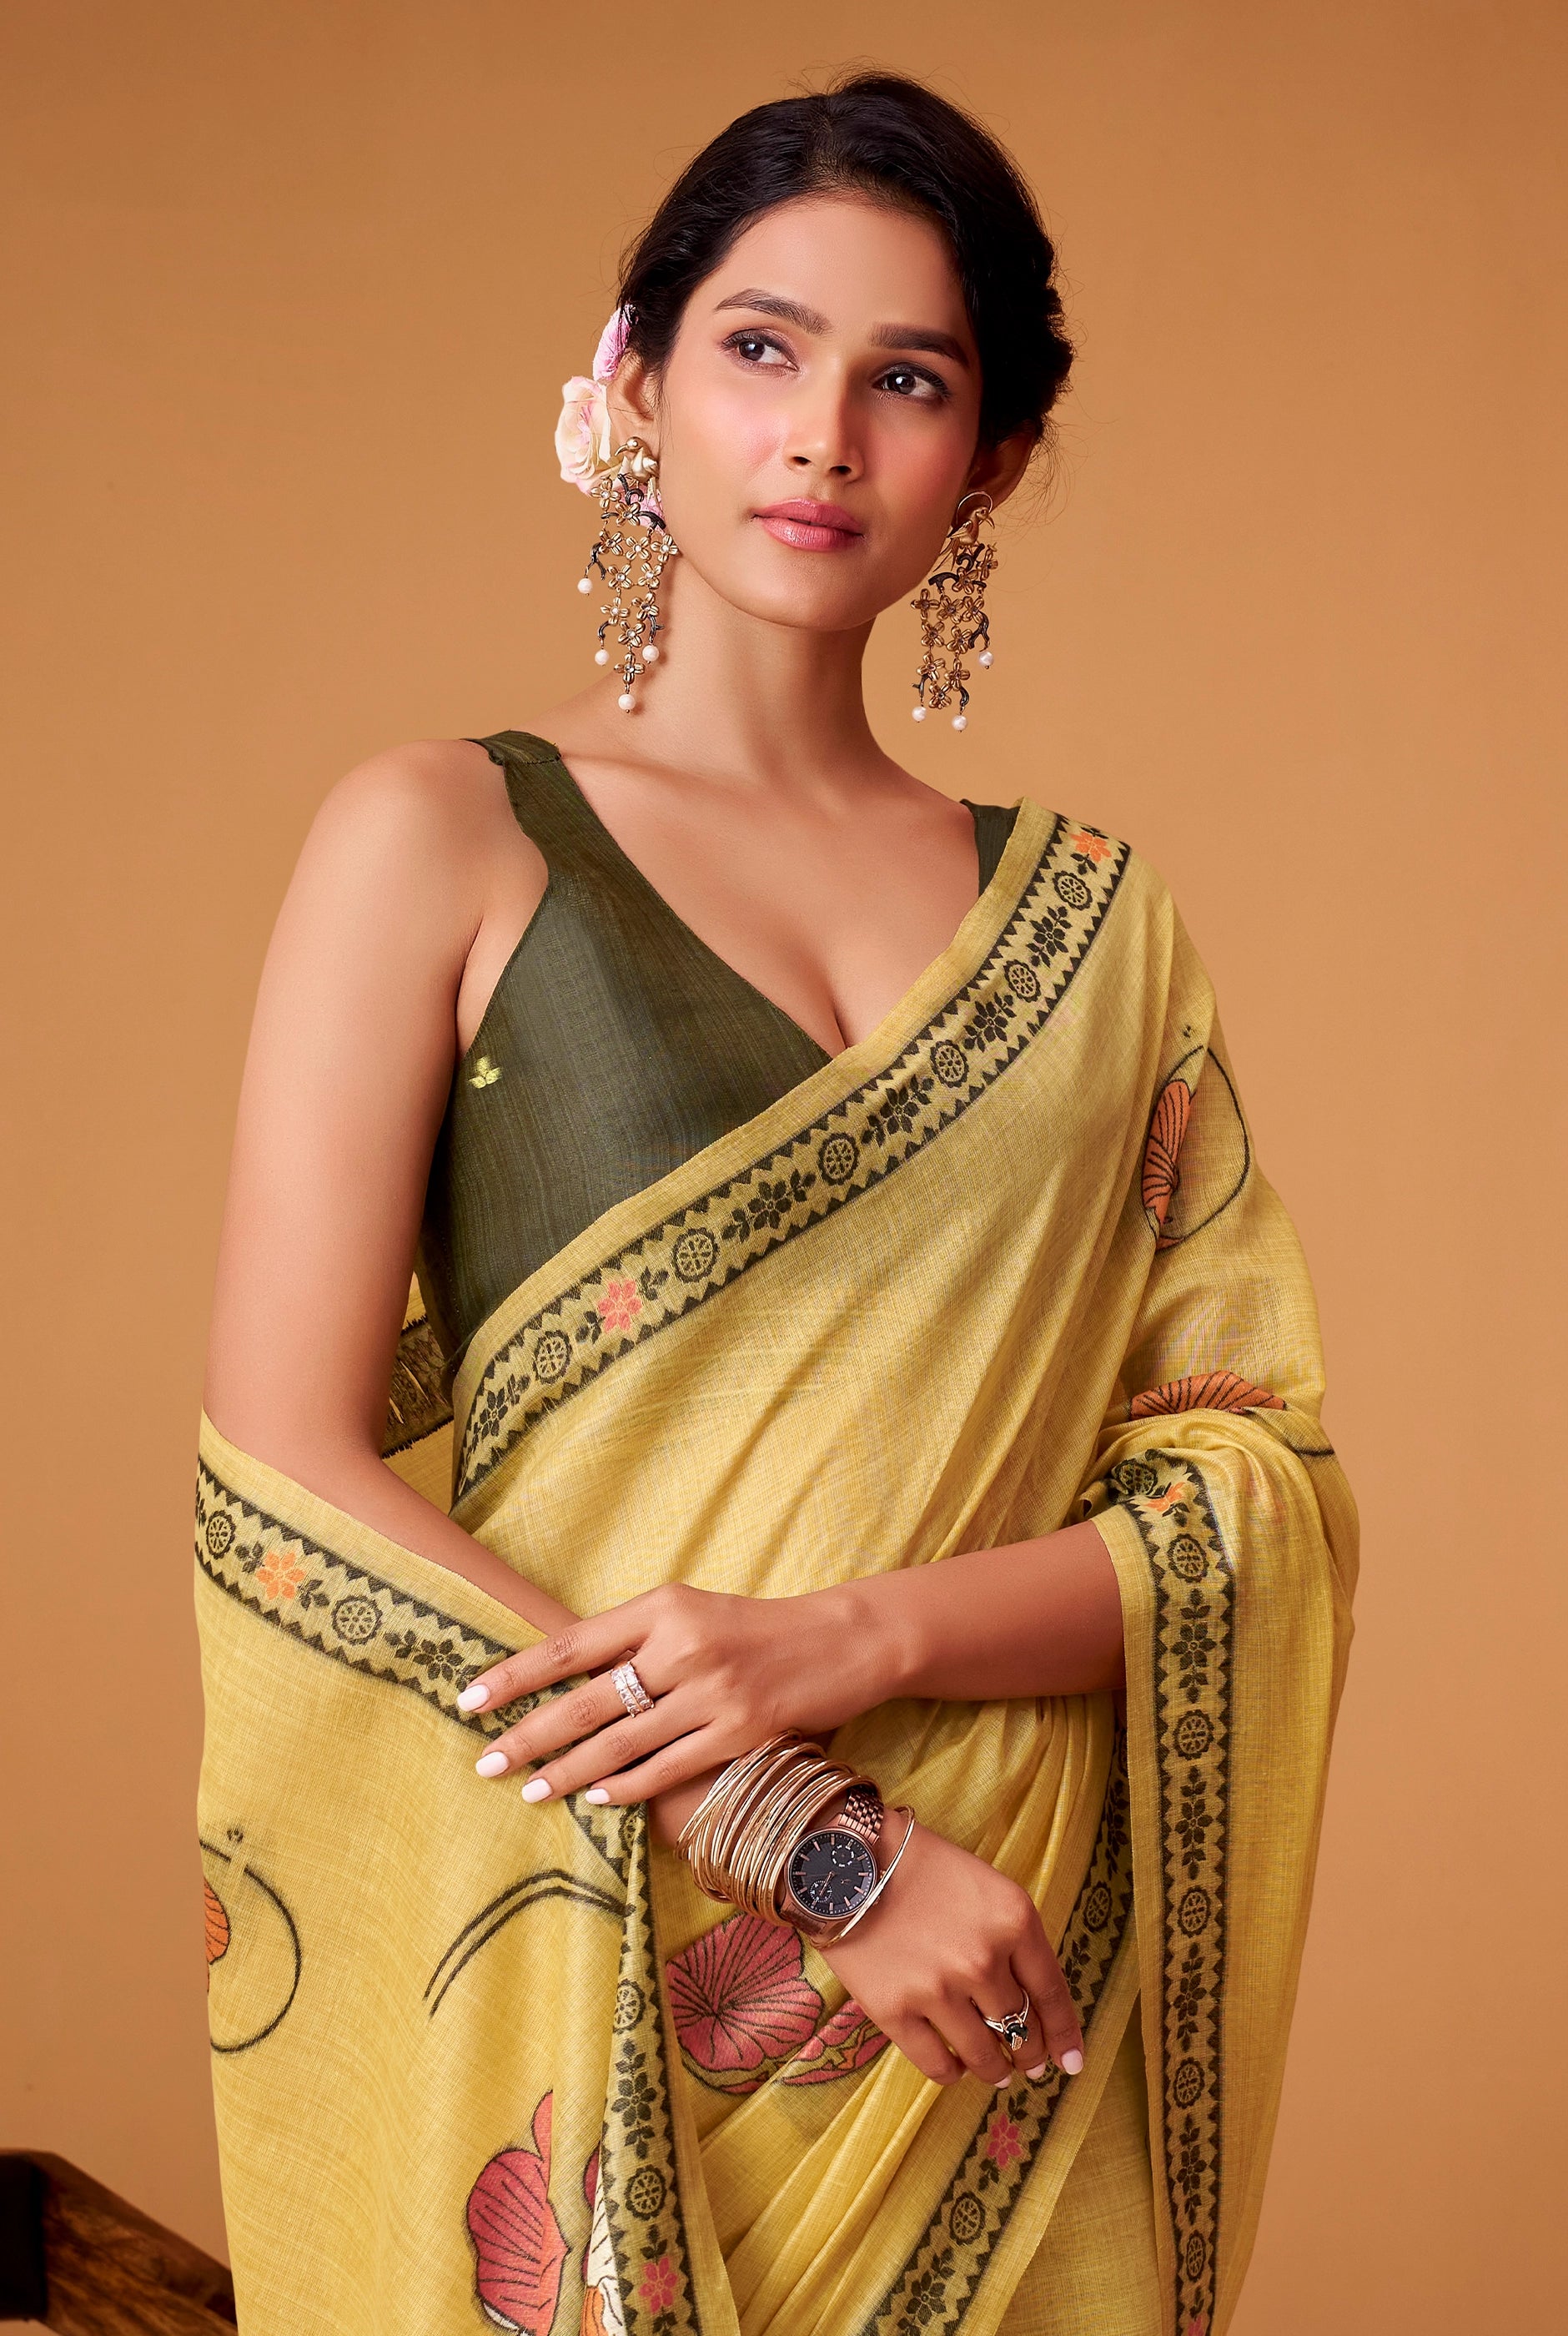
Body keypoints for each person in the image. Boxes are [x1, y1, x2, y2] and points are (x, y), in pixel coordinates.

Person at [197, 72, 1356, 2336]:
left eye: (907, 380)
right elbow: (296, 1474)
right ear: (631, 382)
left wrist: (858, 1644)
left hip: (998, 1992)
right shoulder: (442, 838)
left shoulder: (1099, 933)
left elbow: (1248, 1494)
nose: (822, 435)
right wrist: (815, 1840)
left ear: (992, 456)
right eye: (760, 347)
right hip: (610, 1953)